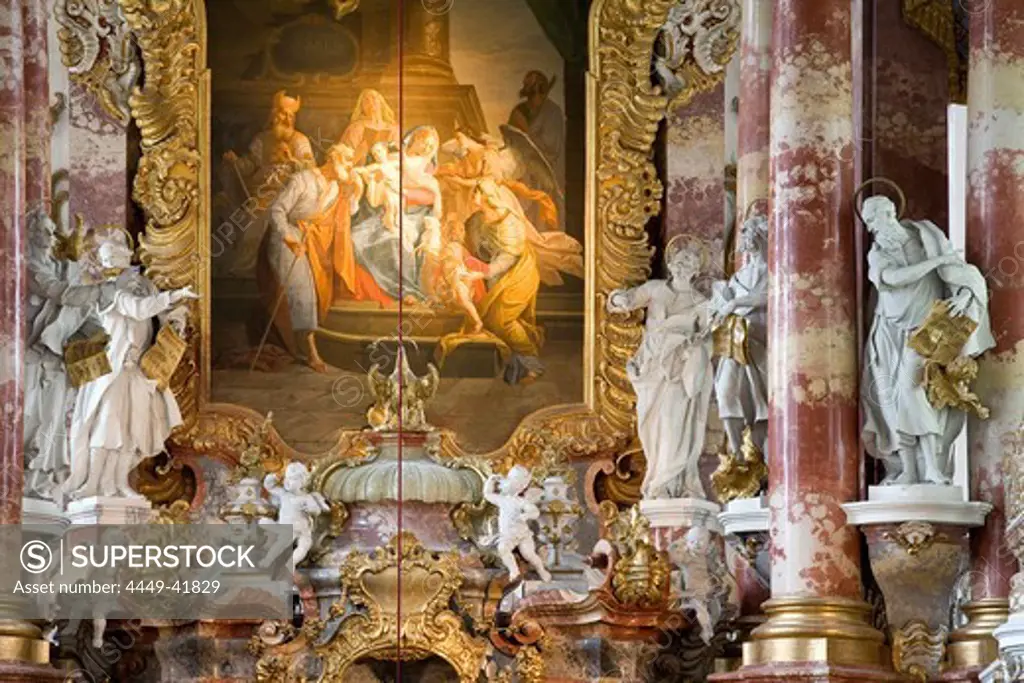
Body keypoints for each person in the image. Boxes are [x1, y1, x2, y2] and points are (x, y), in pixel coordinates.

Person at [860, 195, 994, 485]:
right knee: (893, 402)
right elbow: (895, 279)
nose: (871, 227)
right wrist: (938, 261)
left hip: (927, 333)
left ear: (889, 212)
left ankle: (930, 466)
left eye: (873, 219)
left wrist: (965, 293)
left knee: (911, 391)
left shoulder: (926, 235)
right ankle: (910, 469)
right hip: (890, 333)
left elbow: (959, 273)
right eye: (868, 222)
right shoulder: (877, 252)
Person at [63, 236, 198, 500]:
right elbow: (138, 309)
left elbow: (156, 316)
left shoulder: (138, 289)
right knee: (106, 426)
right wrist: (176, 294)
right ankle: (93, 483)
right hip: (111, 372)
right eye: (117, 267)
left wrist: (176, 320)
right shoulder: (110, 292)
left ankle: (118, 483)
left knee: (133, 430)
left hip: (137, 372)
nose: (128, 275)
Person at [606, 239, 715, 499]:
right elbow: (627, 299)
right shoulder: (655, 289)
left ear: (696, 269)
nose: (681, 264)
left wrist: (693, 347)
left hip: (679, 370)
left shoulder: (702, 303)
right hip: (652, 367)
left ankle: (670, 482)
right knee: (650, 425)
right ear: (670, 263)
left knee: (674, 422)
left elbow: (707, 339)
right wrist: (619, 299)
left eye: (688, 261)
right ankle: (657, 475)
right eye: (678, 259)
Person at [257, 143, 364, 371]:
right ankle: (310, 352)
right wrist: (288, 238)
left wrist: (357, 191)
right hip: (284, 234)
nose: (349, 167)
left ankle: (301, 346)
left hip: (307, 238)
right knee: (300, 288)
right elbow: (277, 210)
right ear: (333, 158)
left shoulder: (334, 188)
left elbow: (344, 213)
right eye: (346, 161)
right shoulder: (302, 180)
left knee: (311, 290)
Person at [220, 90, 316, 276]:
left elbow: (310, 167)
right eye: (282, 113)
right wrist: (235, 162)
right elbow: (250, 165)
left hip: (288, 193)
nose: (286, 118)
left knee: (266, 218)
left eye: (291, 115)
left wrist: (291, 161)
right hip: (261, 194)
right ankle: (247, 269)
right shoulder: (262, 139)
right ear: (274, 114)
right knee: (250, 222)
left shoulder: (300, 140)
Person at [710, 215, 769, 462]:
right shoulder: (737, 276)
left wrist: (735, 302)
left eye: (751, 233)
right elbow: (718, 310)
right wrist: (719, 304)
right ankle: (736, 456)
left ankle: (762, 458)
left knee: (759, 401)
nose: (746, 239)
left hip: (760, 342)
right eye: (744, 234)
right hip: (734, 344)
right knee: (725, 391)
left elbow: (767, 295)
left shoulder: (772, 270)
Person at [483, 465, 552, 583]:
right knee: (503, 548)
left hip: (522, 535)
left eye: (513, 482)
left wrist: (526, 515)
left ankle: (541, 570)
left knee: (529, 554)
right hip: (508, 535)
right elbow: (487, 494)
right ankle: (514, 570)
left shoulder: (521, 502)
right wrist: (490, 481)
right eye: (509, 480)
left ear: (521, 487)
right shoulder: (502, 500)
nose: (508, 483)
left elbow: (535, 511)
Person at [508, 71, 564, 189]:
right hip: (521, 164)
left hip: (546, 166)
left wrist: (527, 130)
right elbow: (510, 140)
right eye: (532, 93)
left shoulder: (552, 111)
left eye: (540, 92)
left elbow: (551, 147)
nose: (536, 98)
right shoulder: (519, 111)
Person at [340, 88, 400, 164]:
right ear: (362, 107)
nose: (371, 102)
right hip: (361, 169)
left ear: (381, 103)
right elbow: (344, 158)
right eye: (366, 100)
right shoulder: (355, 128)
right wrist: (360, 151)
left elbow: (399, 154)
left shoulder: (393, 128)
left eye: (374, 98)